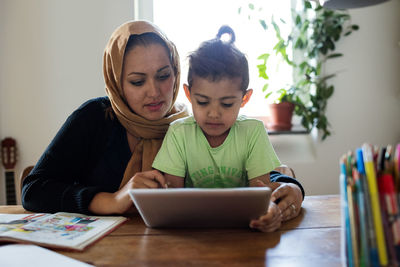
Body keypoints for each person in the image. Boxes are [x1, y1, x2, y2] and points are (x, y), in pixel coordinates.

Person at [21, 21, 303, 226]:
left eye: (164, 75)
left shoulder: (190, 118)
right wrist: (112, 200)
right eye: (137, 81)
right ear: (116, 82)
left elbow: (248, 173)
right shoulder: (95, 118)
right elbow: (34, 190)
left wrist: (291, 188)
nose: (154, 92)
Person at [152, 25, 304, 232]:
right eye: (203, 102)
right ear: (188, 94)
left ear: (245, 98)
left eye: (226, 104)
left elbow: (261, 196)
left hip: (244, 230)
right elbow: (172, 199)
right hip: (194, 231)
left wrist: (269, 214)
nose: (214, 114)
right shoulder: (179, 133)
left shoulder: (253, 131)